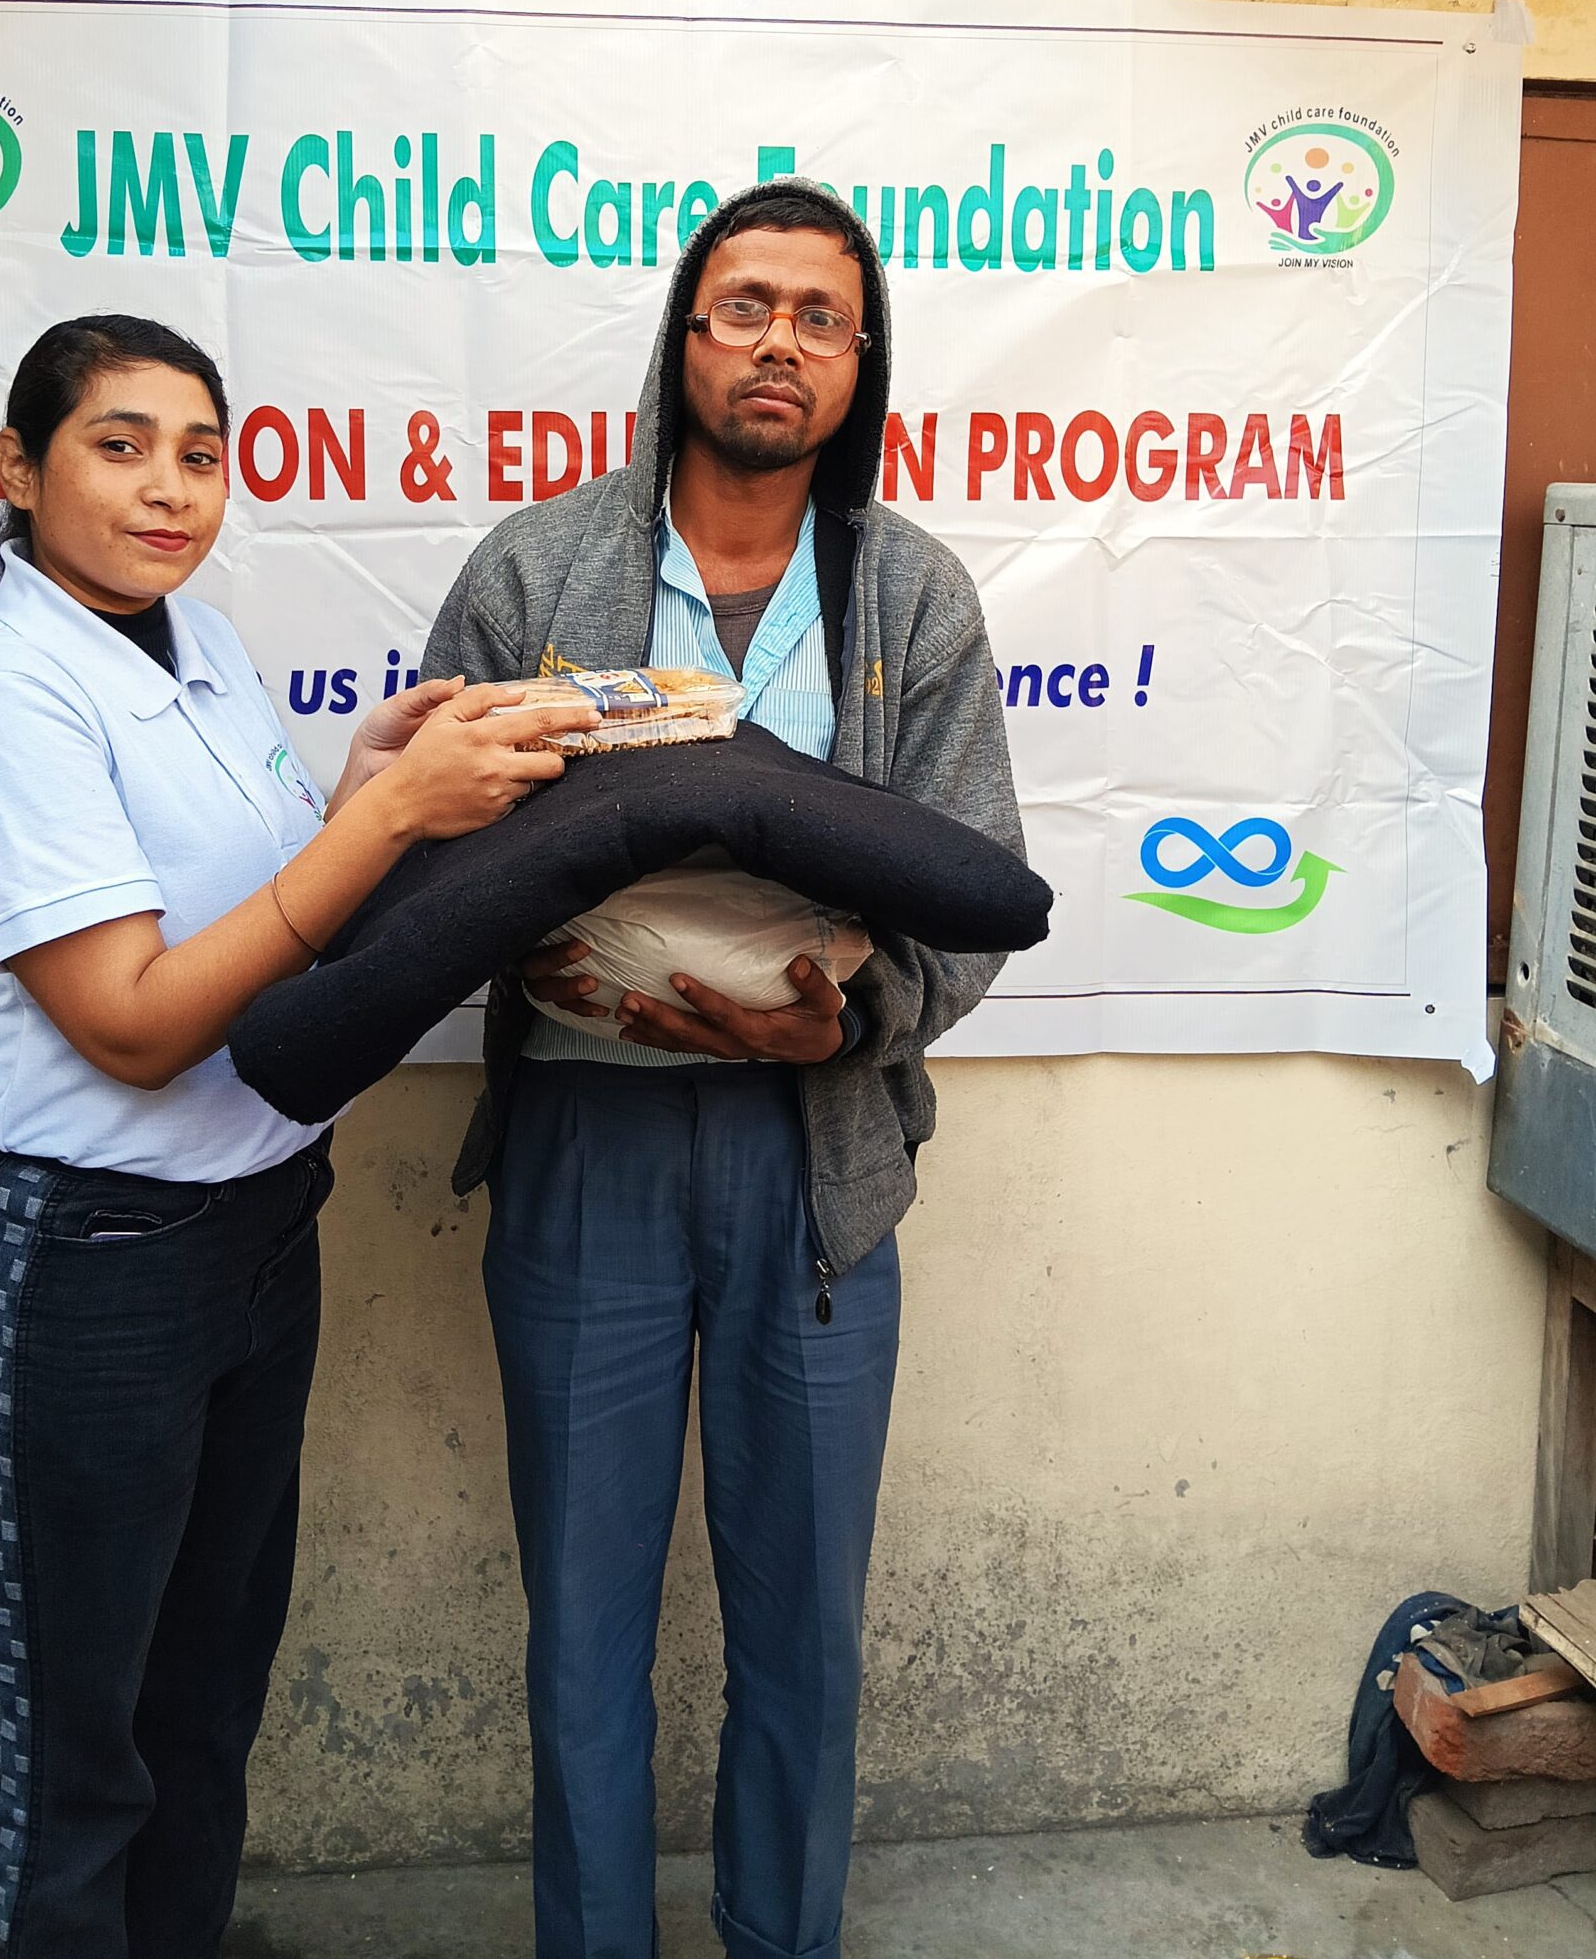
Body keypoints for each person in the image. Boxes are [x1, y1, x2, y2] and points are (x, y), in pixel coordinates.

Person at [0, 312, 582, 1958]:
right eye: (118, 446)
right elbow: (133, 1019)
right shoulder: (8, 693)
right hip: (78, 1268)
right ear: (16, 466)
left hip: (252, 1235)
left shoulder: (183, 643)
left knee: (200, 1717)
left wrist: (359, 793)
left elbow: (257, 907)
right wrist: (390, 830)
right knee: (76, 1758)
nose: (169, 490)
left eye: (199, 454)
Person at [422, 177, 1024, 1959]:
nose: (778, 344)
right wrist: (505, 924)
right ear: (685, 338)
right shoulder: (537, 570)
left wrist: (848, 1020)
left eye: (818, 318)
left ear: (860, 364)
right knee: (585, 1626)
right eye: (744, 306)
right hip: (585, 1154)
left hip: (813, 1160)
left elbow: (974, 881)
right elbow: (418, 839)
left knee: (801, 1623)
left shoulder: (908, 594)